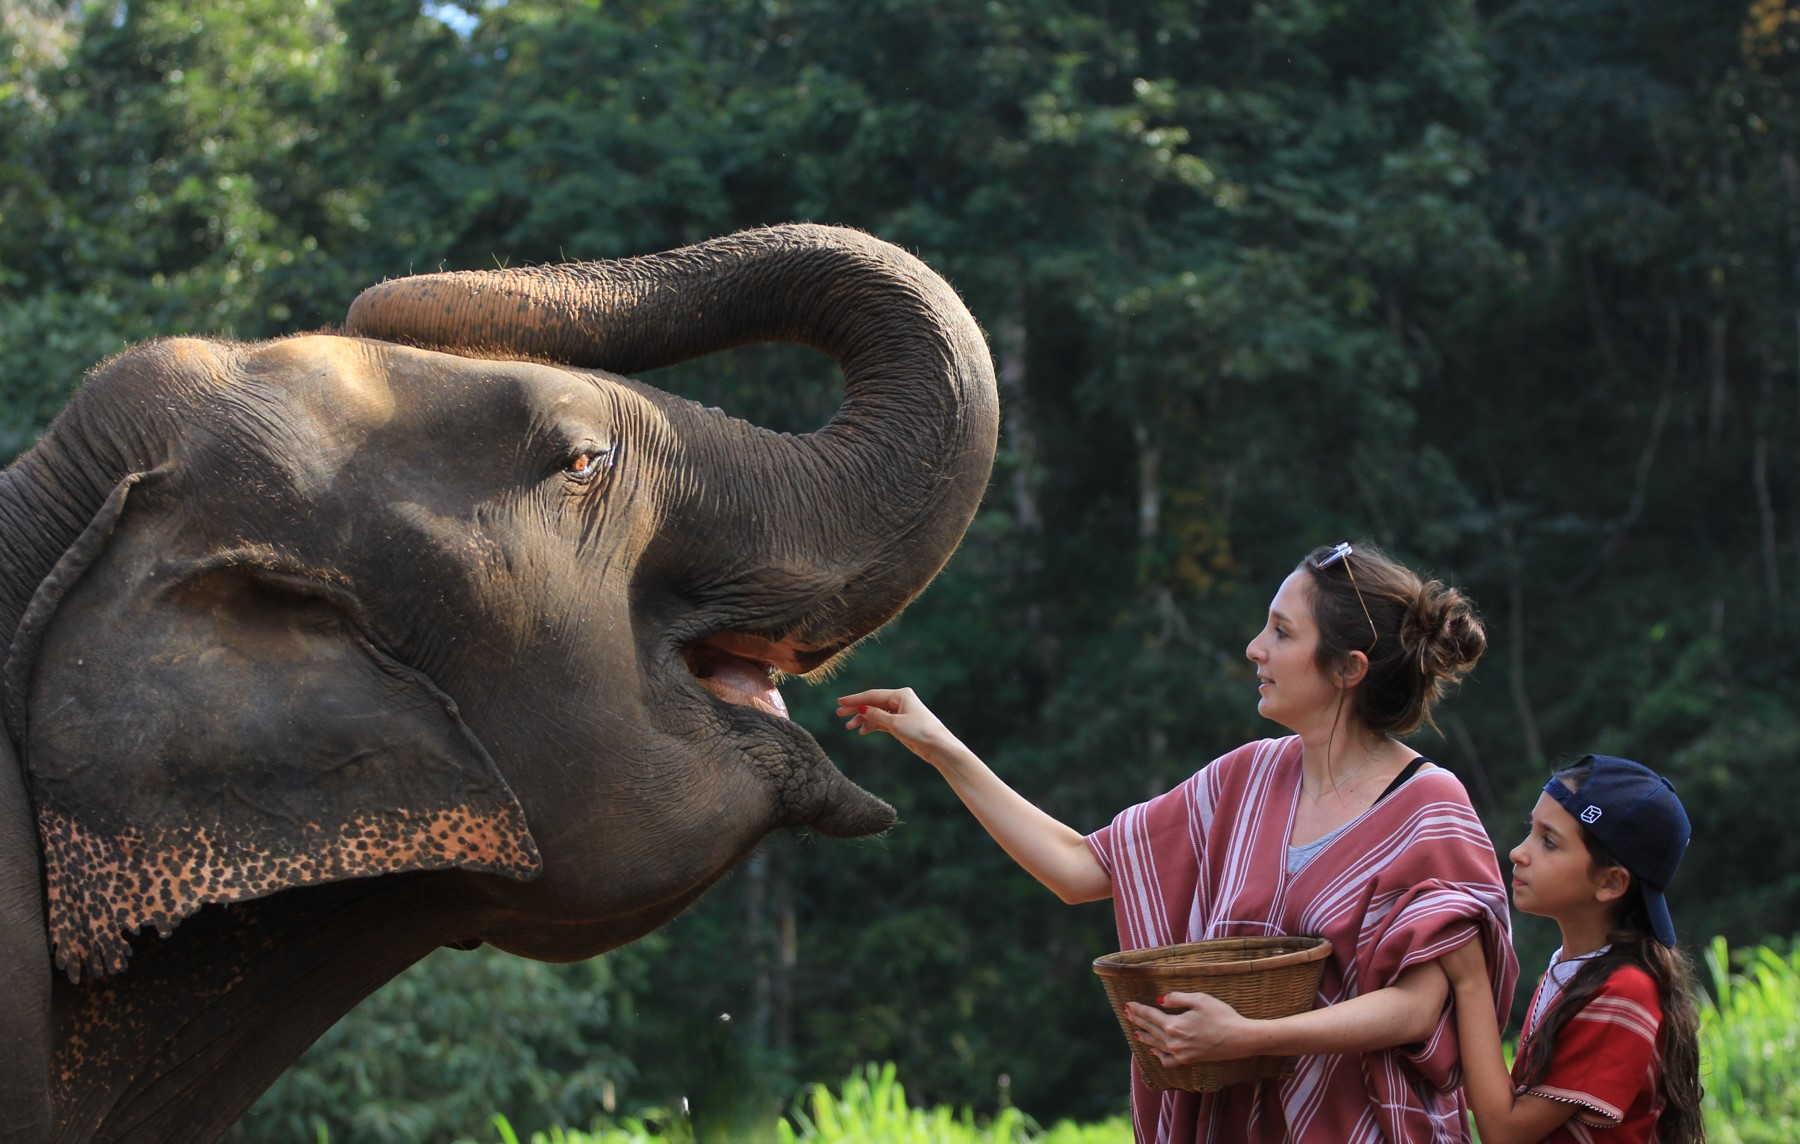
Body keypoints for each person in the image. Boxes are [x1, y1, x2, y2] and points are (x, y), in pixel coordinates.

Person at [839, 541, 1519, 1143]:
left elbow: (1417, 1005)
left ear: (1348, 669)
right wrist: (942, 749)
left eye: (1281, 632)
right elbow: (1078, 867)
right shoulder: (1245, 778)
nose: (1255, 647)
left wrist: (1251, 1037)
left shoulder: (1431, 809)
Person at [1439, 755, 1704, 1144]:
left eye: (1548, 841)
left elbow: (1505, 1131)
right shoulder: (1572, 969)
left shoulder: (1624, 992)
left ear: (1611, 883)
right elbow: (1512, 1099)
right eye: (1531, 830)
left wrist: (1470, 982)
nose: (1518, 853)